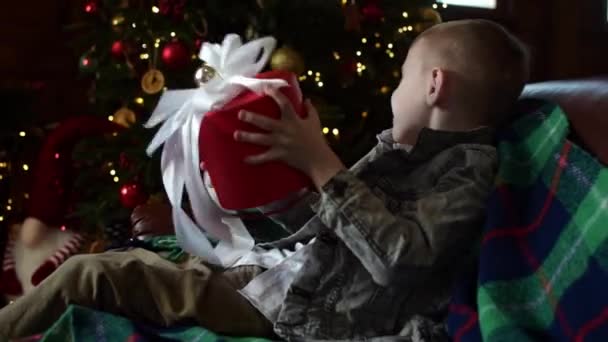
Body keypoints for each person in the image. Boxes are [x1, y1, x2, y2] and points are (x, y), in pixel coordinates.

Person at [0, 19, 529, 341]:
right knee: (138, 259)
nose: (394, 93)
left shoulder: (465, 175)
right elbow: (326, 225)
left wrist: (322, 162)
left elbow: (399, 259)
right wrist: (284, 179)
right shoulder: (407, 153)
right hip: (286, 276)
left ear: (434, 85)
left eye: (402, 79)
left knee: (93, 275)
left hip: (303, 313)